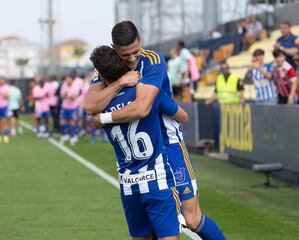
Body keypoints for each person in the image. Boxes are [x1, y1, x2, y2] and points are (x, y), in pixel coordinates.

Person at [85, 21, 226, 240]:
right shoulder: (110, 70)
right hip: (142, 156)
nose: (132, 59)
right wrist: (121, 81)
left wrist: (103, 117)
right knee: (149, 230)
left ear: (140, 41)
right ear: (114, 48)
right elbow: (89, 105)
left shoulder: (153, 60)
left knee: (192, 219)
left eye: (135, 52)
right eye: (125, 55)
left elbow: (142, 108)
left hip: (168, 143)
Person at [90, 45, 190, 240]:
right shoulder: (147, 94)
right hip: (157, 179)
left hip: (128, 184)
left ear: (101, 76)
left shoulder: (100, 111)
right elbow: (183, 116)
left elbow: (89, 106)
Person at [59, 74, 81, 145]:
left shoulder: (75, 86)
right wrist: (66, 94)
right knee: (62, 120)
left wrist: (69, 95)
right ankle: (65, 134)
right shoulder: (64, 85)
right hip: (64, 106)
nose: (67, 80)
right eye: (66, 79)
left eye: (68, 79)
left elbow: (74, 97)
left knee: (72, 121)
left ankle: (73, 136)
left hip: (73, 107)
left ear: (72, 79)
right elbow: (62, 96)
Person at [0, 77, 10, 143]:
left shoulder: (6, 87)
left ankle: (6, 136)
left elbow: (7, 97)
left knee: (5, 121)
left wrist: (2, 93)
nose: (1, 82)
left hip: (4, 106)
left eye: (2, 81)